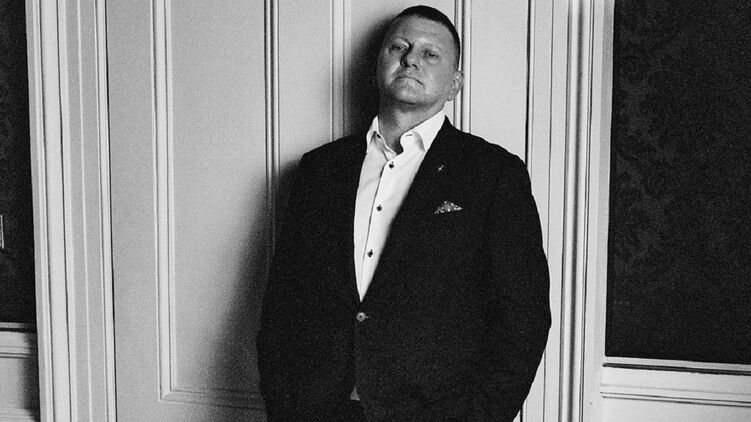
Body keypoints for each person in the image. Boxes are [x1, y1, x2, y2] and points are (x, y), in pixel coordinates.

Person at [257, 5, 550, 421]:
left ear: (454, 85)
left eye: (431, 54)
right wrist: (283, 407)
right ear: (378, 66)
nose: (411, 59)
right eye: (399, 47)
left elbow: (524, 317)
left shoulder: (493, 174)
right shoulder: (320, 169)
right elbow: (281, 302)